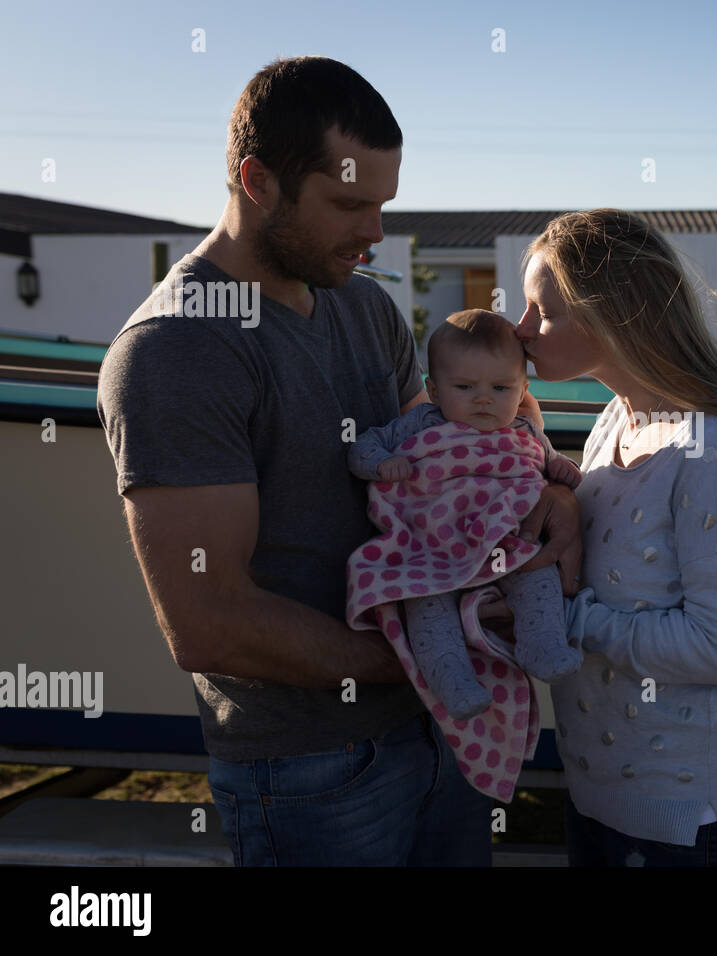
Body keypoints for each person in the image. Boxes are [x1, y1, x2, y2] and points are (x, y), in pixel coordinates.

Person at [95, 56, 581, 866]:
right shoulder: (177, 350)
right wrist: (433, 657)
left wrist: (551, 492)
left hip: (445, 733)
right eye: (350, 204)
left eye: (383, 204)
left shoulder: (367, 308)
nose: (375, 232)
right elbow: (211, 624)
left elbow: (452, 452)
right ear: (257, 181)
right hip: (311, 771)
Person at [510, 208, 717, 867]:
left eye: (543, 310)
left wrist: (562, 619)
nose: (521, 329)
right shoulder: (616, 420)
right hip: (598, 790)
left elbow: (715, 649)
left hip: (683, 824)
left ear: (615, 315)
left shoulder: (716, 452)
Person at [345, 309, 582, 720]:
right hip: (432, 545)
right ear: (434, 391)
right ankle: (450, 680)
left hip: (508, 540)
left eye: (501, 387)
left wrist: (561, 469)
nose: (484, 398)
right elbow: (363, 445)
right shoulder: (421, 423)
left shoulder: (525, 430)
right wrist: (382, 464)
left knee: (539, 578)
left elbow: (547, 460)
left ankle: (542, 645)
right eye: (465, 386)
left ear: (523, 389)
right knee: (425, 603)